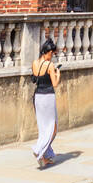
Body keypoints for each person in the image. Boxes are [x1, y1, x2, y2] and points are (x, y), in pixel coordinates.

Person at [31, 37, 61, 168]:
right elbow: (54, 84)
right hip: (48, 96)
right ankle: (38, 149)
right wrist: (58, 74)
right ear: (47, 52)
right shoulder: (50, 65)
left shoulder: (34, 63)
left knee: (43, 127)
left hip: (38, 96)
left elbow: (35, 79)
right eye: (51, 54)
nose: (52, 56)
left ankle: (45, 155)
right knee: (53, 128)